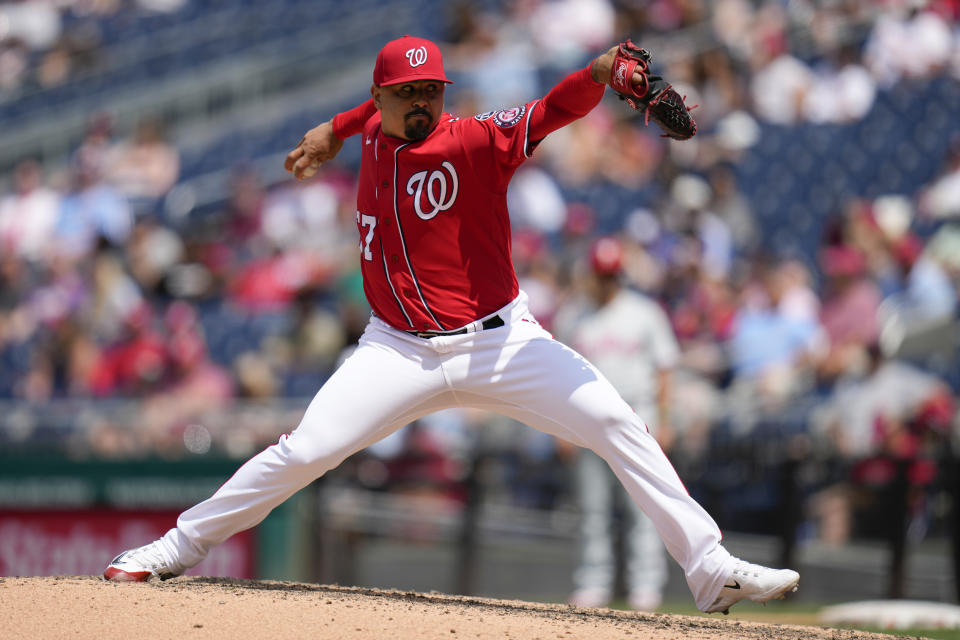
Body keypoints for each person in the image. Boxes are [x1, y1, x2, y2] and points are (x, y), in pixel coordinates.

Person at [103, 35, 799, 615]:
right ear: (382, 98)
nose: (422, 102)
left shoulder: (472, 141)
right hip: (396, 350)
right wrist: (332, 131)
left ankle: (708, 568)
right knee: (305, 451)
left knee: (619, 424)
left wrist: (596, 73)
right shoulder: (374, 129)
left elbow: (554, 110)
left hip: (503, 343)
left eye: (432, 90)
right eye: (408, 93)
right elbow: (362, 117)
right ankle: (174, 548)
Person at [556, 237, 679, 611]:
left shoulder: (644, 312)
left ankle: (646, 586)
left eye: (611, 275)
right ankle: (593, 582)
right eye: (600, 275)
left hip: (636, 414)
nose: (606, 282)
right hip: (586, 419)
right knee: (592, 508)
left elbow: (664, 370)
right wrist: (560, 428)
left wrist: (666, 420)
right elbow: (557, 374)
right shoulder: (573, 316)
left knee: (642, 505)